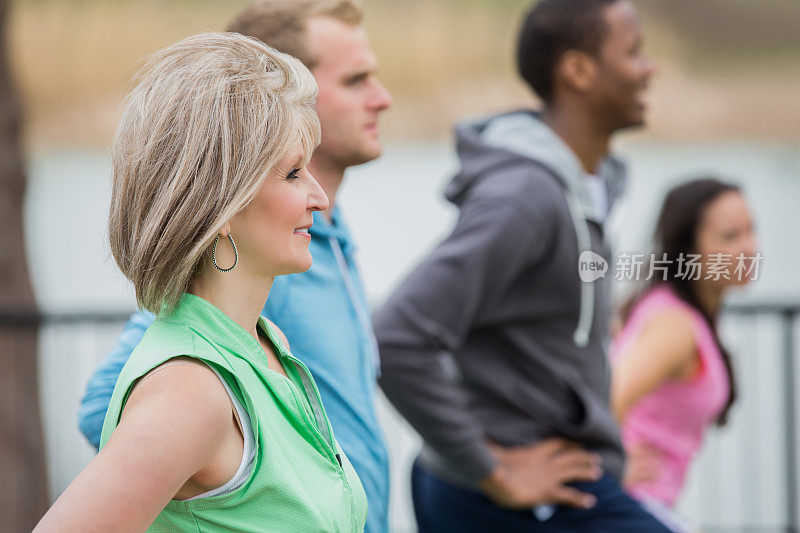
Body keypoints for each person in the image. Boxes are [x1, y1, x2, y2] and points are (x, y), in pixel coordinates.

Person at [77, 2, 393, 531]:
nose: (317, 196)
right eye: (293, 173)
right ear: (222, 204)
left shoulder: (269, 346)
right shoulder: (191, 389)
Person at [373, 0, 672, 531]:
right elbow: (398, 334)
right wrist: (491, 468)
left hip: (550, 477)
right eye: (633, 53)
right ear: (577, 71)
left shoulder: (587, 187)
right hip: (507, 494)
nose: (649, 69)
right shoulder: (525, 198)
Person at [610, 178, 758, 532]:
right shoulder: (674, 325)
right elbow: (607, 395)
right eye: (729, 237)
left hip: (647, 507)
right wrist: (610, 466)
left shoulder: (678, 311)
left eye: (751, 231)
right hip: (633, 504)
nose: (748, 248)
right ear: (688, 249)